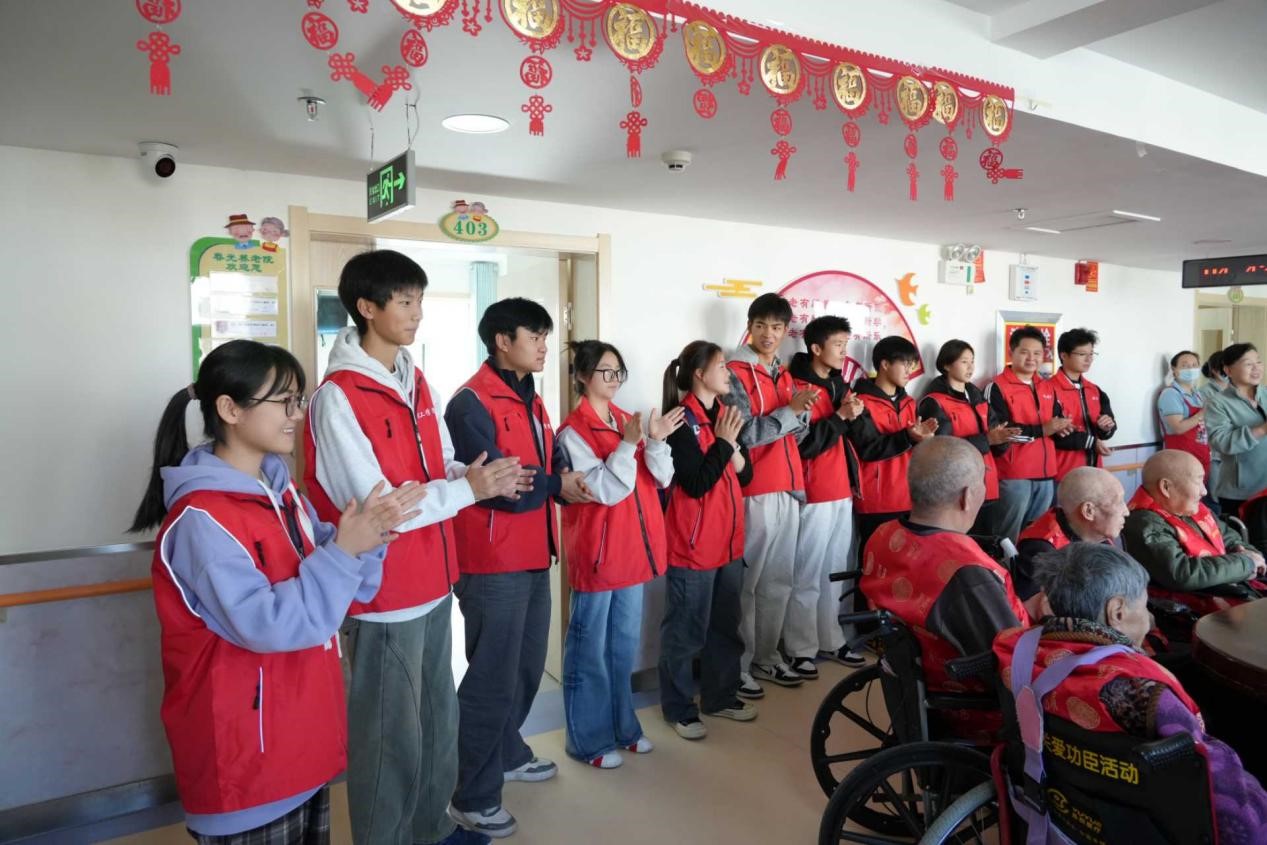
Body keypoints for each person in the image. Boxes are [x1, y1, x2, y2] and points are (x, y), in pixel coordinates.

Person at [131, 340, 426, 843]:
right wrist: (344, 551)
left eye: (299, 400)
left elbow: (343, 584)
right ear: (230, 410)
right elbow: (268, 624)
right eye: (284, 402)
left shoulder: (281, 492)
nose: (297, 415)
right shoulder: (202, 519)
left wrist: (371, 533)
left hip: (300, 743)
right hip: (247, 765)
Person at [304, 251, 531, 845]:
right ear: (366, 307)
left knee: (437, 722)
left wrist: (470, 475)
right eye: (405, 301)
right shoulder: (337, 397)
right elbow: (380, 507)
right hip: (384, 595)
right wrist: (465, 491)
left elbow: (434, 465)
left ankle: (433, 829)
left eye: (420, 300)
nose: (417, 313)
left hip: (433, 580)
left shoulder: (413, 376)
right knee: (389, 740)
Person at [993, 543, 1267, 845]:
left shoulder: (1013, 651)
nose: (1149, 618)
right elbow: (1231, 805)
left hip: (1060, 808)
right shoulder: (1143, 693)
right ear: (1117, 612)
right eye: (1145, 606)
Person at [444, 298, 594, 839]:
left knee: (527, 669)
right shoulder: (470, 402)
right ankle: (472, 795)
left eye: (545, 336)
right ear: (502, 341)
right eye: (535, 336)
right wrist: (555, 484)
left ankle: (506, 752)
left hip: (533, 553)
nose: (544, 346)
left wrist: (563, 477)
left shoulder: (532, 397)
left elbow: (544, 463)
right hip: (491, 562)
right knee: (491, 678)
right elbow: (501, 486)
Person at [556, 341, 680, 769]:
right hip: (598, 555)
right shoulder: (573, 431)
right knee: (588, 651)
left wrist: (657, 441)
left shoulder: (628, 421)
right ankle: (586, 741)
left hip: (633, 553)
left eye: (618, 372)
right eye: (605, 372)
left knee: (622, 649)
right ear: (582, 376)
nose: (614, 380)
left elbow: (661, 479)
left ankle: (624, 729)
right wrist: (628, 447)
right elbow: (604, 490)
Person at [859, 437, 1030, 739]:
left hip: (912, 690)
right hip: (970, 709)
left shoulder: (883, 535)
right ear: (967, 496)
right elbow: (1012, 664)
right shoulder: (966, 571)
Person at [658, 341, 757, 740]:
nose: (728, 373)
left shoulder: (725, 415)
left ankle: (720, 696)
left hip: (729, 541)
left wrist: (731, 448)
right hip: (694, 545)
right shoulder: (679, 420)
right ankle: (679, 708)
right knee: (685, 633)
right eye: (721, 366)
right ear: (699, 373)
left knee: (725, 627)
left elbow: (745, 476)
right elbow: (697, 482)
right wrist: (724, 445)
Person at [727, 293, 816, 695]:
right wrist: (790, 413)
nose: (768, 334)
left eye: (777, 327)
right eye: (761, 325)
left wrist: (802, 415)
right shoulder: (734, 372)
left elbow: (796, 435)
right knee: (747, 584)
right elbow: (744, 434)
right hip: (754, 489)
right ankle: (738, 665)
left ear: (785, 331)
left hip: (788, 487)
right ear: (750, 326)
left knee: (779, 581)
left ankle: (766, 657)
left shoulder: (783, 373)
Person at [786, 315, 867, 676]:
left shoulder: (839, 385)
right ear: (816, 348)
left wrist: (853, 414)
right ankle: (800, 648)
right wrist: (840, 416)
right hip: (813, 491)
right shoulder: (797, 386)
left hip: (841, 490)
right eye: (838, 345)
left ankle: (831, 639)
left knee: (835, 572)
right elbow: (804, 446)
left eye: (846, 345)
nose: (844, 352)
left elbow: (854, 435)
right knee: (806, 573)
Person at [1122, 449, 1266, 616]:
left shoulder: (1189, 507)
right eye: (1198, 481)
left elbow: (1229, 537)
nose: (1204, 491)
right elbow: (1182, 573)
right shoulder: (1144, 521)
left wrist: (1247, 553)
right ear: (1166, 487)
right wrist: (1246, 563)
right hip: (1189, 607)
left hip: (1229, 587)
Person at [845, 335, 938, 555]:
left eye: (912, 365)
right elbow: (868, 449)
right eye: (905, 364)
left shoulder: (910, 402)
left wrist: (925, 441)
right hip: (876, 500)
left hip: (909, 499)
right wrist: (908, 437)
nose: (910, 371)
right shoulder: (859, 402)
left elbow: (914, 448)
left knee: (905, 563)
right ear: (885, 364)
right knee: (873, 561)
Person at [984, 326, 1075, 543]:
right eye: (1024, 352)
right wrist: (1044, 429)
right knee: (1007, 537)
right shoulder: (997, 386)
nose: (1031, 358)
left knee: (1038, 536)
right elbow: (1001, 433)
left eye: (1037, 353)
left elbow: (1055, 421)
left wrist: (1063, 427)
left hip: (1046, 474)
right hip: (1014, 476)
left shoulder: (1047, 386)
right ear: (1012, 352)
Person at [919, 339, 1015, 535]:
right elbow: (942, 450)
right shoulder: (934, 401)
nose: (971, 367)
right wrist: (988, 440)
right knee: (959, 545)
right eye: (964, 362)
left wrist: (1002, 439)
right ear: (946, 365)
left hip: (987, 485)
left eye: (972, 361)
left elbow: (996, 444)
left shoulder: (979, 398)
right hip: (957, 491)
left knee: (986, 543)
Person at [1015, 466, 1127, 603]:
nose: (1126, 511)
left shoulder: (1107, 535)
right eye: (1118, 502)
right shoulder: (1041, 550)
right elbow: (1044, 609)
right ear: (1088, 511)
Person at [1206, 343, 1267, 516]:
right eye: (1248, 364)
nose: (1256, 368)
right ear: (1229, 370)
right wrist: (1262, 430)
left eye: (1258, 362)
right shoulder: (1218, 402)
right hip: (1241, 492)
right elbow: (1222, 442)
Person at [1051, 328, 1117, 481]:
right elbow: (1055, 434)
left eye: (1091, 354)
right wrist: (1092, 442)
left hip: (1094, 472)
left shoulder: (1095, 390)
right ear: (1064, 355)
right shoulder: (1048, 390)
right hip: (1062, 474)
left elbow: (1109, 429)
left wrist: (1106, 427)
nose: (1089, 359)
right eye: (1082, 354)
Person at [1159, 350, 1211, 488]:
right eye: (1185, 365)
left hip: (1201, 456)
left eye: (1194, 365)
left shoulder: (1197, 394)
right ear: (1174, 370)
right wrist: (1203, 413)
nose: (1191, 369)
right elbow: (1178, 428)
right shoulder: (1171, 394)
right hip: (1181, 459)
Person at [1200, 350, 1230, 502]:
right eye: (1222, 368)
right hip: (1215, 453)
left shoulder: (1237, 390)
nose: (1226, 372)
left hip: (1236, 452)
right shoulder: (1204, 392)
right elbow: (1203, 423)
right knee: (1216, 497)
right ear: (1213, 370)